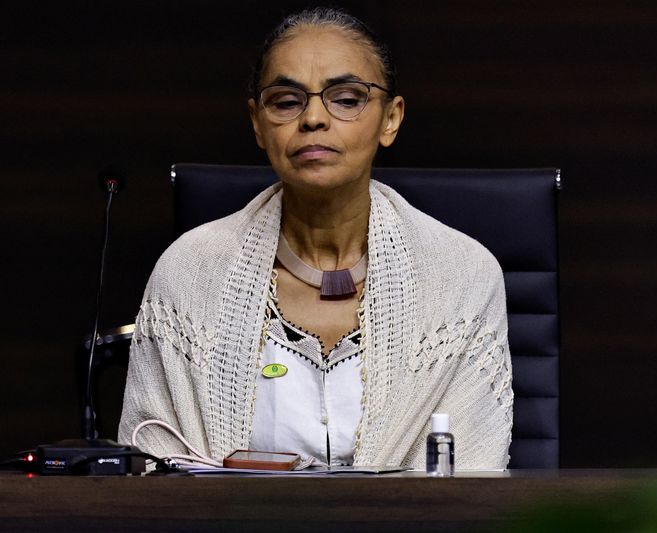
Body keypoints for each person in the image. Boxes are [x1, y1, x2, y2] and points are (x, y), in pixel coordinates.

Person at [119, 7, 512, 469]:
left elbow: (474, 477)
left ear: (391, 119)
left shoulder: (461, 274)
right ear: (257, 123)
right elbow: (151, 471)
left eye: (346, 99)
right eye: (286, 101)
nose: (313, 119)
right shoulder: (188, 271)